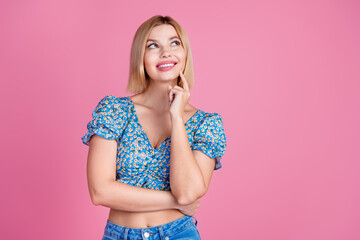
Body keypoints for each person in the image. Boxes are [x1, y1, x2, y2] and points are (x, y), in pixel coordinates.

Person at [81, 15, 227, 240]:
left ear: (185, 53)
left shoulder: (206, 124)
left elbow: (188, 192)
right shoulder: (114, 110)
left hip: (179, 234)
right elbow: (100, 191)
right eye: (153, 46)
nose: (166, 52)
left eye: (174, 43)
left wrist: (177, 118)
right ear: (141, 57)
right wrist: (174, 201)